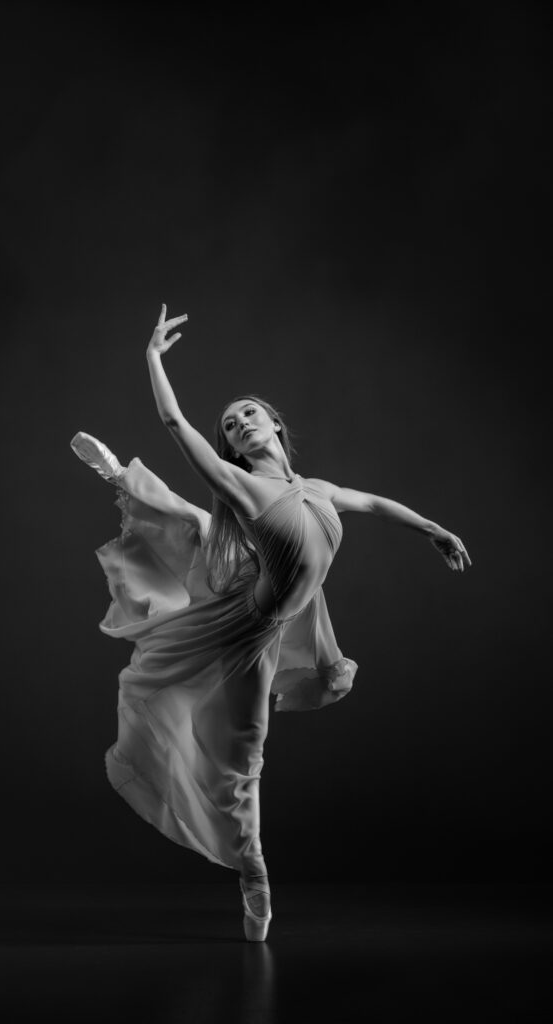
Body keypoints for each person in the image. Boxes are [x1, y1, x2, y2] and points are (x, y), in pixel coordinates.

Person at [71, 304, 471, 942]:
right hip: (247, 621)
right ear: (231, 447)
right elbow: (174, 421)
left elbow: (371, 501)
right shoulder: (242, 485)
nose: (240, 423)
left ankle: (131, 484)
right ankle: (253, 871)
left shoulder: (319, 488)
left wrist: (432, 529)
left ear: (275, 424)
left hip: (284, 608)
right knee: (242, 745)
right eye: (231, 425)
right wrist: (152, 358)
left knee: (209, 537)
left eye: (250, 413)